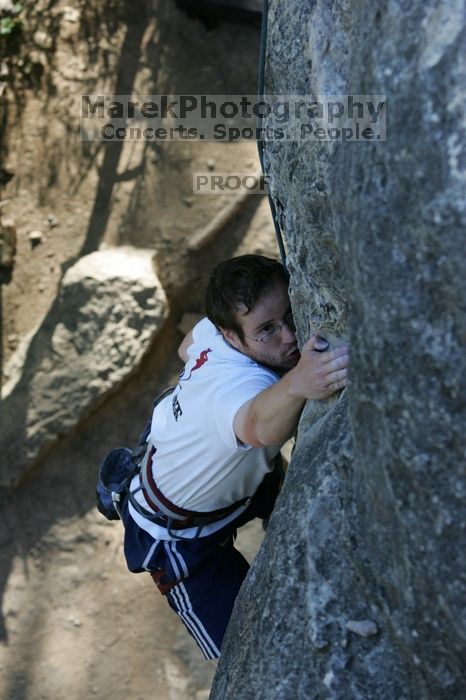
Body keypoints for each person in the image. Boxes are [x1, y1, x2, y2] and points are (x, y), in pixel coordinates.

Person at [120, 254, 349, 660]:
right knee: (247, 652)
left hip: (223, 473)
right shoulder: (236, 390)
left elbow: (187, 345)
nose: (289, 336)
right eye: (266, 330)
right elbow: (259, 425)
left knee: (276, 486)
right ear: (231, 335)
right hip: (177, 536)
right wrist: (300, 381)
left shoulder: (216, 332)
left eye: (289, 314)